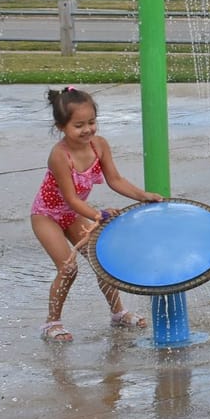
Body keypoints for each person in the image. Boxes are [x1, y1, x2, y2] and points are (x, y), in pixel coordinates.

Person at [32, 86, 163, 342]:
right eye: (78, 125)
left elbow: (115, 180)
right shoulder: (59, 155)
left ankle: (118, 313)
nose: (88, 130)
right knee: (68, 268)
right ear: (61, 127)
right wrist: (98, 214)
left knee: (103, 261)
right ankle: (51, 323)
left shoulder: (99, 145)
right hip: (46, 216)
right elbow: (71, 198)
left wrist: (143, 195)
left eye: (91, 122)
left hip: (73, 214)